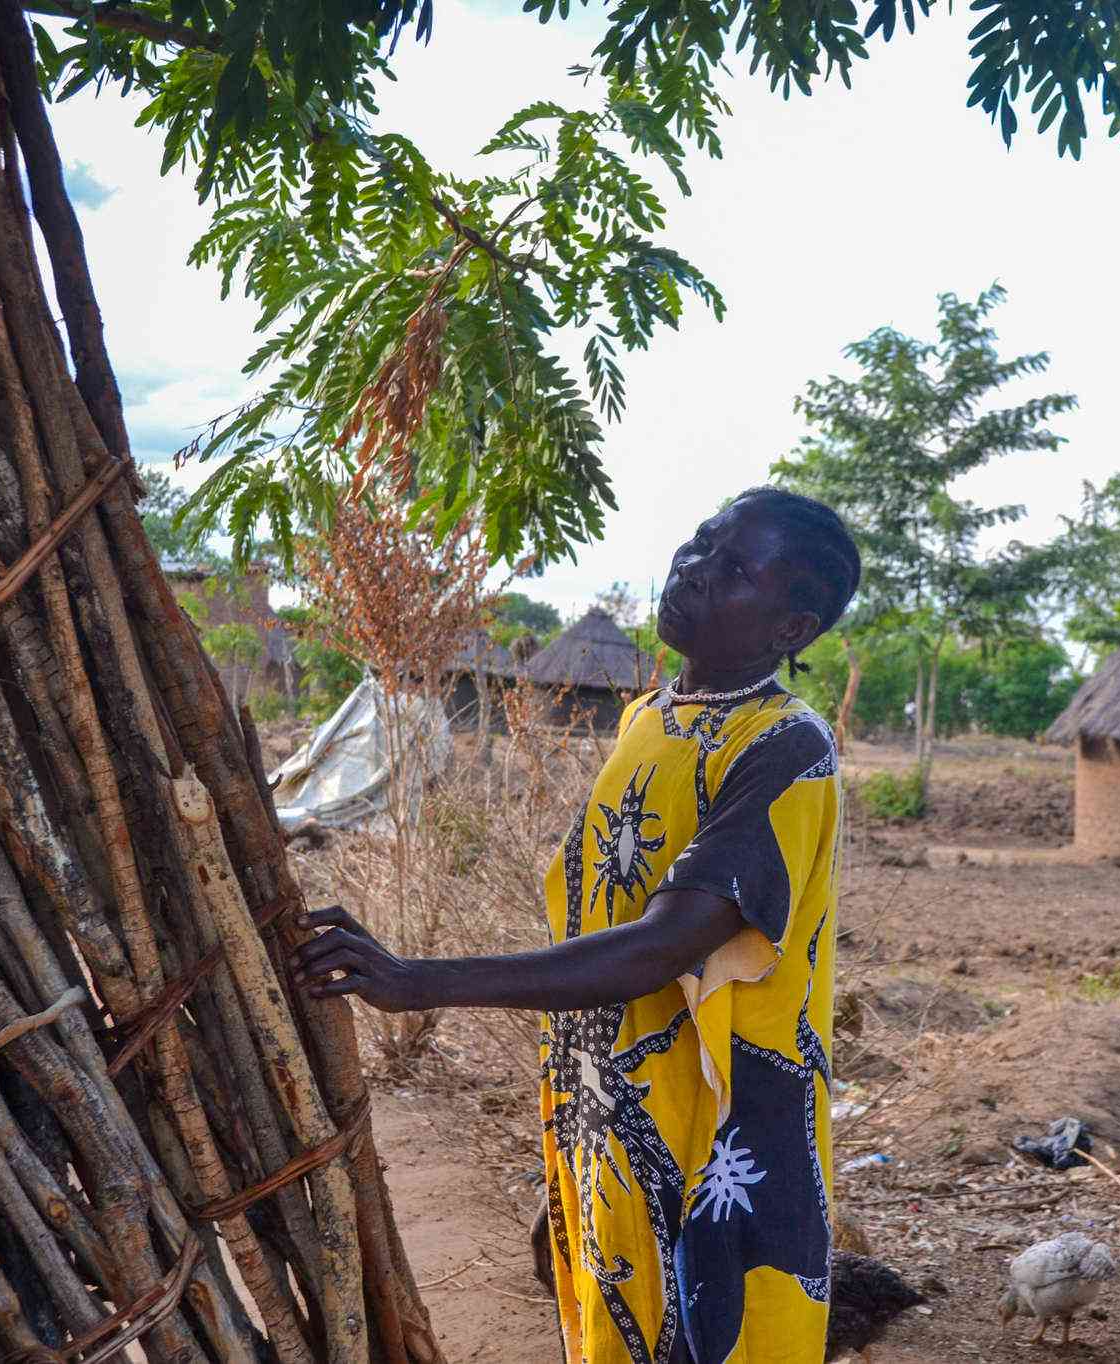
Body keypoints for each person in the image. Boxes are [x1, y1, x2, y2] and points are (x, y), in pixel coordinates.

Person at [293, 487, 861, 1363]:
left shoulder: (786, 747)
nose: (695, 570)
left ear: (793, 628)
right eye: (701, 542)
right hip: (612, 1108)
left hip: (720, 1134)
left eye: (735, 569)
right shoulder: (650, 720)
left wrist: (419, 981)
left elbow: (659, 946)